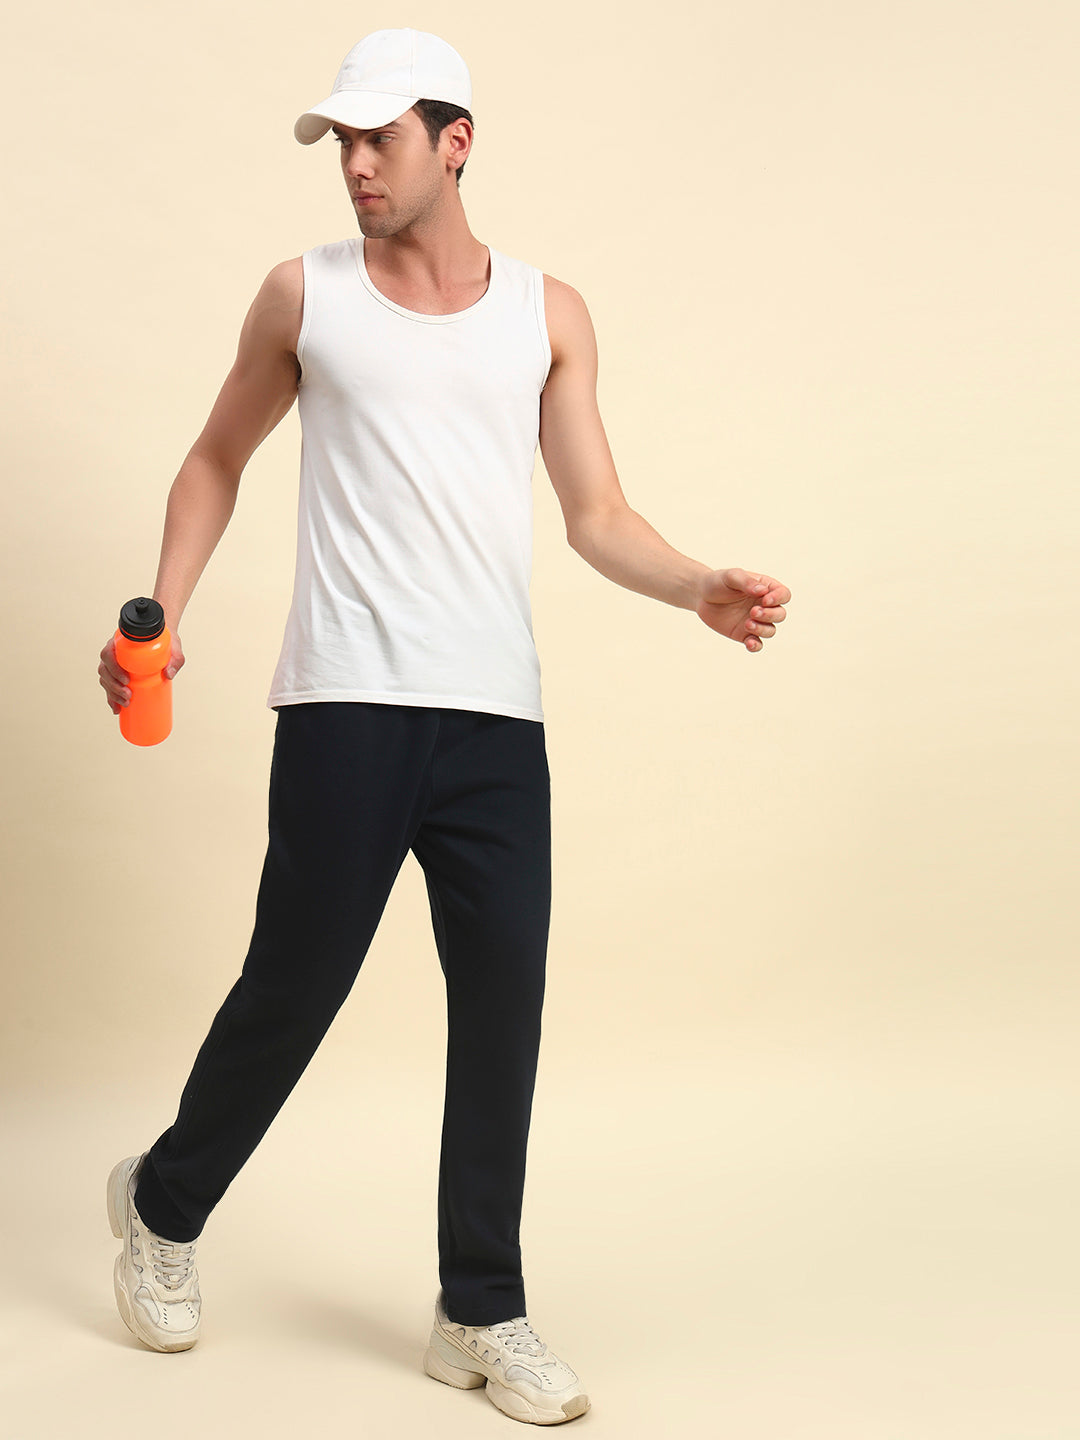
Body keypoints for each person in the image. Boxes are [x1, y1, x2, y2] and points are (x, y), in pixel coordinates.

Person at [97, 28, 789, 1426]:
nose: (356, 164)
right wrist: (160, 612)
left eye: (381, 138)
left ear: (453, 141)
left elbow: (596, 513)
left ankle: (479, 1306)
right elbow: (216, 457)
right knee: (295, 986)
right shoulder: (303, 296)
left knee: (502, 1011)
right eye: (342, 142)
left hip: (493, 720)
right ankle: (163, 1207)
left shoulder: (548, 312)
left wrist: (693, 586)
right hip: (346, 701)